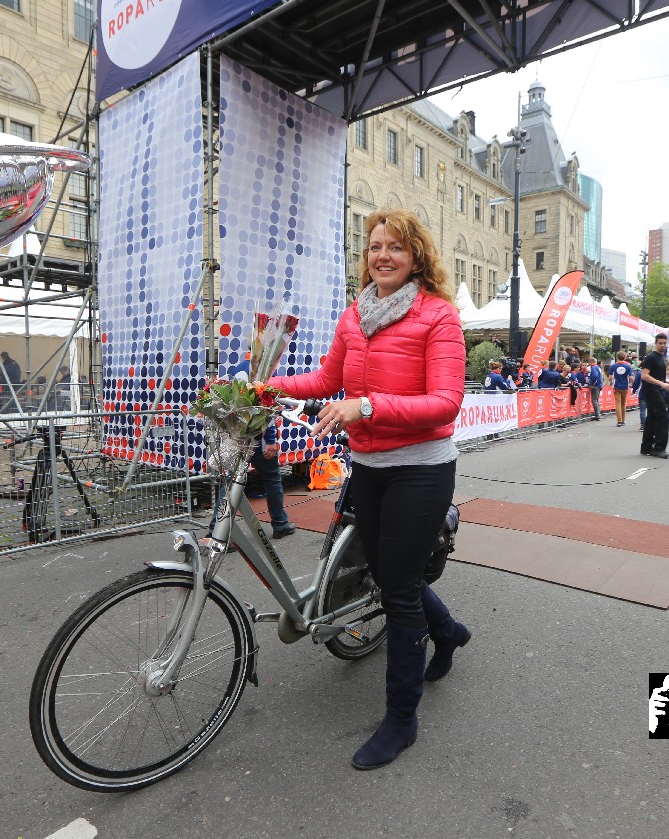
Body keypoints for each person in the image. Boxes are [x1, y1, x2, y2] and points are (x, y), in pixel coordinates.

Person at [269, 209, 466, 770]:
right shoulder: (355, 315)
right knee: (387, 572)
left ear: (416, 257)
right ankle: (448, 631)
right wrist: (267, 386)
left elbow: (446, 402)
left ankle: (402, 720)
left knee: (398, 589)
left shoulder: (438, 314)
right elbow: (327, 379)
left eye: (395, 247)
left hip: (420, 468)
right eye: (375, 246)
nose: (383, 255)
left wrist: (368, 406)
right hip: (368, 465)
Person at [248, 419, 296, 539]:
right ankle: (280, 524)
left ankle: (216, 531)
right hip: (258, 440)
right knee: (272, 480)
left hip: (237, 440)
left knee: (229, 485)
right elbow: (266, 413)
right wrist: (270, 440)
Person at [638, 334, 669, 458]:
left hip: (657, 389)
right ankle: (659, 448)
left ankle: (646, 447)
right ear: (656, 343)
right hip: (651, 390)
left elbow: (658, 377)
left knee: (652, 418)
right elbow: (644, 376)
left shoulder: (662, 357)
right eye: (660, 343)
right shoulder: (651, 357)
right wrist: (661, 384)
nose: (663, 345)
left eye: (664, 343)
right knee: (663, 416)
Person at [608, 352, 633, 427]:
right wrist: (631, 383)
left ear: (617, 357)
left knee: (618, 403)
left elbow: (610, 377)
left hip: (617, 386)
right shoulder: (628, 366)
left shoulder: (613, 366)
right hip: (625, 386)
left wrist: (611, 382)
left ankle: (619, 421)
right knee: (623, 404)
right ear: (625, 357)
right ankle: (623, 420)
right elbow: (631, 377)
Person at [586, 357, 603, 421]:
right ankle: (598, 414)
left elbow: (595, 376)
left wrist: (592, 383)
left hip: (595, 385)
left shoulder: (594, 368)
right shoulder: (598, 367)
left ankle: (597, 415)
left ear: (591, 362)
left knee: (594, 400)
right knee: (596, 400)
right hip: (599, 385)